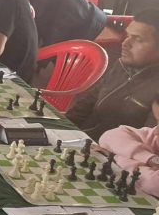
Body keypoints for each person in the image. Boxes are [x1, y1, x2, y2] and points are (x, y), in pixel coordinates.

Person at [67, 9, 159, 139]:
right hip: (82, 139)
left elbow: (147, 143)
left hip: (111, 149)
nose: (125, 44)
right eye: (128, 36)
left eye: (138, 39)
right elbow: (86, 105)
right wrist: (60, 128)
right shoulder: (121, 66)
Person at [100, 95, 159, 198]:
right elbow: (111, 136)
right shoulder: (155, 137)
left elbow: (153, 184)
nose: (156, 131)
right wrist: (150, 158)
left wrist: (115, 157)